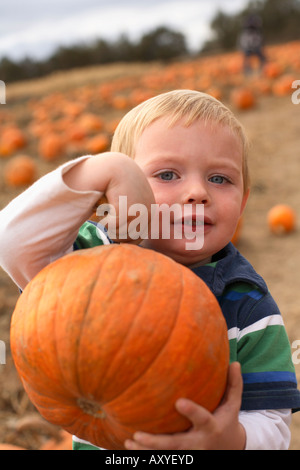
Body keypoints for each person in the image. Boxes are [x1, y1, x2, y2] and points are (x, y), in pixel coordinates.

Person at [0, 90, 300, 450]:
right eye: (167, 174)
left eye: (220, 179)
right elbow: (12, 242)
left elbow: (274, 422)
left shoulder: (247, 302)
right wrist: (103, 169)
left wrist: (231, 441)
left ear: (244, 201)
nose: (196, 192)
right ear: (121, 190)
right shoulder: (93, 259)